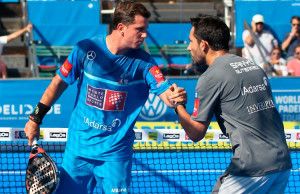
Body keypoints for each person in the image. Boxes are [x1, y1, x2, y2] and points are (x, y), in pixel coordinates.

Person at [24, 2, 184, 194]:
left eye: (146, 30)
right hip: (78, 150)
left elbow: (165, 93)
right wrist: (35, 118)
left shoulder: (145, 63)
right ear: (121, 28)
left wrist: (175, 96)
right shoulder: (85, 49)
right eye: (140, 30)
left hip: (115, 155)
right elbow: (58, 83)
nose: (144, 35)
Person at [169, 15, 292, 194]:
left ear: (203, 45)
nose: (189, 47)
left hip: (251, 168)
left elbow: (195, 133)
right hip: (282, 163)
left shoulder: (210, 77)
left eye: (191, 42)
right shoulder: (254, 67)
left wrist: (177, 105)